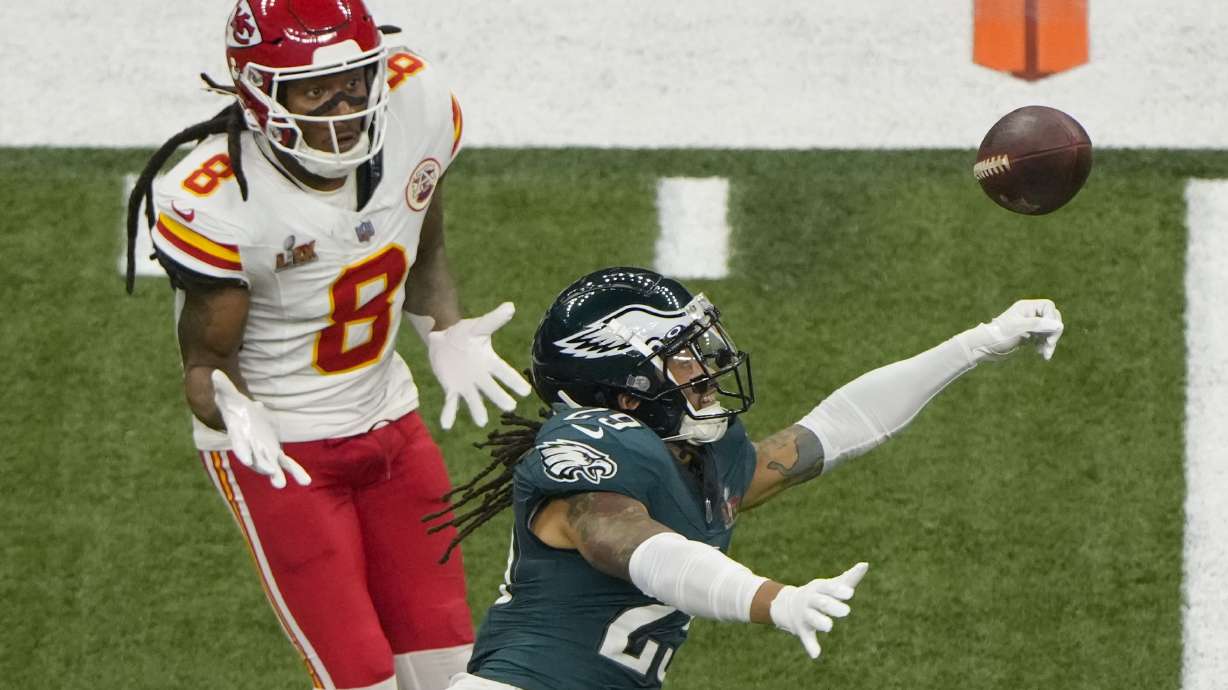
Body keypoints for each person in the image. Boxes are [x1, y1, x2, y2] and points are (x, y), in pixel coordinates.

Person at [123, 2, 532, 689]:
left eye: (354, 81)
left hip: (391, 421)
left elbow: (420, 232)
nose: (343, 106)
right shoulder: (219, 199)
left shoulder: (415, 100)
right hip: (283, 452)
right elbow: (205, 364)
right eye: (315, 91)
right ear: (258, 92)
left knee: (447, 669)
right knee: (362, 678)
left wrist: (443, 326)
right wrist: (232, 411)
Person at [427, 266, 1064, 690]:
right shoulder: (588, 450)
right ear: (624, 392)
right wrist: (773, 599)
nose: (707, 367)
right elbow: (628, 547)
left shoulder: (694, 455)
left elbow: (834, 430)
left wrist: (979, 342)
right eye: (680, 357)